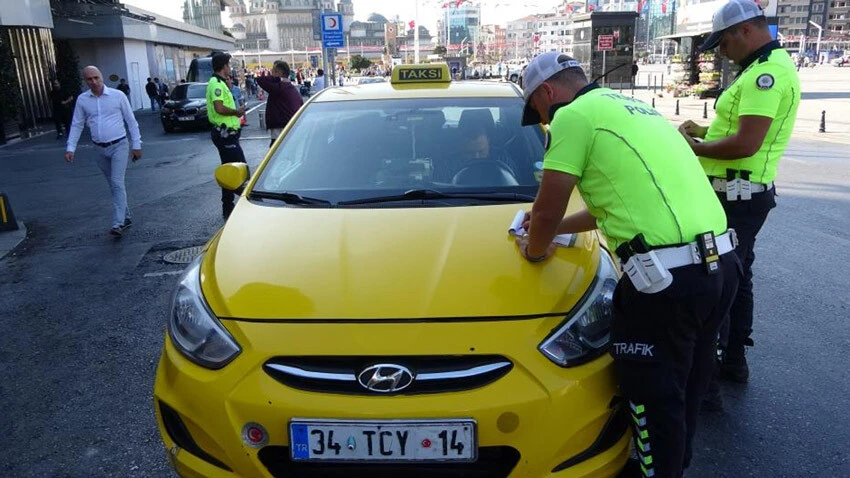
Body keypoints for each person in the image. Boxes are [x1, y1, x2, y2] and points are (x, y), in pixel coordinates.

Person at [518, 52, 739, 478]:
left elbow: (546, 210)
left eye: (539, 111)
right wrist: (558, 226)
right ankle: (675, 466)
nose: (543, 119)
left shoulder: (574, 116)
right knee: (685, 391)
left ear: (547, 92)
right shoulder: (638, 111)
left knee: (652, 396)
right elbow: (615, 204)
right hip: (719, 265)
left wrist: (535, 247)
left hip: (667, 282)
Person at [678, 0, 800, 398]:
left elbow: (747, 143)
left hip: (737, 197)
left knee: (718, 280)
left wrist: (695, 148)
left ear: (744, 31)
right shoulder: (762, 68)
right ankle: (732, 360)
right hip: (740, 195)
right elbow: (736, 128)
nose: (720, 51)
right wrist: (708, 130)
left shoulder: (766, 75)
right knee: (737, 274)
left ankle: (710, 375)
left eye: (723, 42)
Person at [65, 66, 142, 237]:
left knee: (116, 182)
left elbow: (131, 121)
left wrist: (136, 145)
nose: (93, 82)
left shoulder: (118, 96)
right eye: (89, 79)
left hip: (119, 145)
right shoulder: (83, 100)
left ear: (102, 77)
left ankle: (118, 223)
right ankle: (126, 217)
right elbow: (77, 124)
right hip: (99, 149)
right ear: (85, 81)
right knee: (114, 185)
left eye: (96, 78)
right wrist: (71, 148)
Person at [206, 53, 246, 219]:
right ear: (224, 66)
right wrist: (236, 112)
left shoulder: (222, 83)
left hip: (230, 133)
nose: (230, 68)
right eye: (228, 65)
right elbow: (219, 108)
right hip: (224, 133)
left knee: (229, 170)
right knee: (239, 169)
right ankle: (249, 200)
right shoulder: (215, 83)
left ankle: (228, 207)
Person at [257, 60, 303, 147]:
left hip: (280, 126)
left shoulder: (279, 87)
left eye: (273, 72)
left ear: (280, 73)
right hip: (291, 123)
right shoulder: (290, 88)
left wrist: (279, 79)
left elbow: (261, 80)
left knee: (276, 151)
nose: (271, 74)